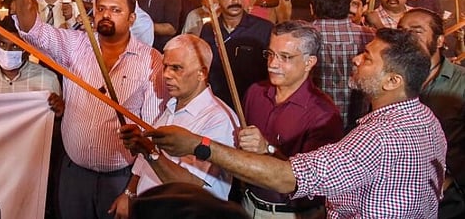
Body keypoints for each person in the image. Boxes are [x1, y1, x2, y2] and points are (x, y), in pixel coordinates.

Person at [146, 28, 446, 218]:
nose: (355, 60)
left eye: (367, 58)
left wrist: (200, 145)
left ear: (393, 81)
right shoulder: (426, 119)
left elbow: (291, 178)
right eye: (271, 54)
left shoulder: (380, 135)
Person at [8, 0, 166, 219]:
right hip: (74, 173)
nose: (106, 15)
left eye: (116, 10)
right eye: (101, 8)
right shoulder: (75, 44)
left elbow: (150, 134)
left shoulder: (151, 61)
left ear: (131, 18)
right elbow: (33, 30)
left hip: (120, 178)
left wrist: (130, 191)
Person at [115, 34, 238, 219]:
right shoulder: (171, 106)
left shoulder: (219, 120)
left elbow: (193, 189)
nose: (166, 75)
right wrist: (129, 193)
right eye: (165, 66)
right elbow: (144, 162)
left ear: (202, 73)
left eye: (176, 68)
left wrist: (150, 151)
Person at [239, 21, 344, 217]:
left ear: (309, 62)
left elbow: (315, 183)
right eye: (270, 54)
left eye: (285, 57)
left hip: (288, 213)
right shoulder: (255, 93)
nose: (272, 64)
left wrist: (268, 149)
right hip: (247, 202)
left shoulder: (323, 114)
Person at [400, 8, 465, 218]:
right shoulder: (391, 81)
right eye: (402, 30)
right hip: (400, 194)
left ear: (439, 41)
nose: (406, 37)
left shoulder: (461, 82)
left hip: (448, 198)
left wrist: (451, 181)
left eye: (416, 31)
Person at [199, 0, 272, 112]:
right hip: (216, 106)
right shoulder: (209, 29)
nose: (235, 0)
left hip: (253, 106)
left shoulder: (264, 29)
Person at [310, 0, 374, 130]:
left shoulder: (302, 35)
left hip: (315, 121)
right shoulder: (369, 35)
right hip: (359, 124)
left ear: (312, 7)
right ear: (348, 6)